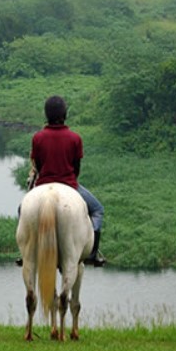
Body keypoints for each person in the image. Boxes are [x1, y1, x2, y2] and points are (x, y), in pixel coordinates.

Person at [19, 95, 106, 267]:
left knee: (22, 209)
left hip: (43, 185)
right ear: (64, 114)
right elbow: (76, 168)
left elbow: (38, 164)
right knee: (98, 210)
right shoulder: (75, 138)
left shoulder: (38, 138)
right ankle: (93, 253)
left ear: (47, 114)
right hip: (69, 185)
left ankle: (26, 252)